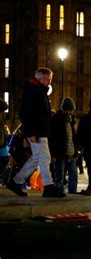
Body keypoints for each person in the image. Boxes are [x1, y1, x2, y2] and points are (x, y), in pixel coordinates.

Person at [6, 68, 65, 197]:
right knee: (44, 158)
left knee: (37, 158)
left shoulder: (37, 91)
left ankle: (16, 181)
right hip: (38, 132)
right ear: (39, 79)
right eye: (47, 79)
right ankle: (48, 186)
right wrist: (31, 133)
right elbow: (26, 113)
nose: (49, 82)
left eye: (50, 79)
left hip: (39, 130)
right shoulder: (34, 92)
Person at [49, 97, 79, 194]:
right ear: (65, 109)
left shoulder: (71, 120)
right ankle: (59, 191)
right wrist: (53, 154)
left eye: (71, 111)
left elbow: (73, 136)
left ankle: (72, 192)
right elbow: (53, 138)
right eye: (69, 110)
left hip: (71, 152)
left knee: (73, 174)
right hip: (60, 152)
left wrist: (76, 150)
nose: (71, 112)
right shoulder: (57, 119)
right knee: (59, 174)